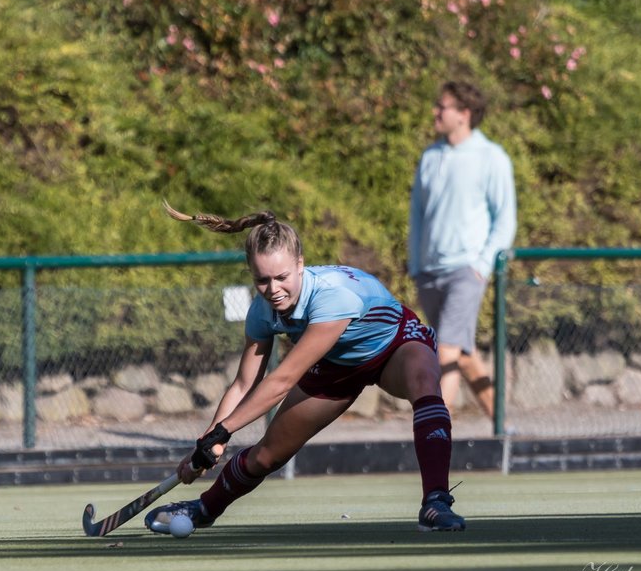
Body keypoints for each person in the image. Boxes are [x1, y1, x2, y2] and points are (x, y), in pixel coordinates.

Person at [144, 202, 465, 534]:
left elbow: (282, 380)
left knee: (425, 383)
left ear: (300, 265)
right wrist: (209, 442)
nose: (273, 290)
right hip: (336, 365)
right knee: (266, 456)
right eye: (262, 280)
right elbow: (243, 384)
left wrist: (224, 430)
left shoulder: (331, 298)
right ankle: (204, 508)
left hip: (393, 344)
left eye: (282, 277)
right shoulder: (261, 312)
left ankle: (435, 502)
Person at [408, 80, 517, 418]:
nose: (435, 112)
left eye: (443, 107)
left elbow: (505, 219)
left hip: (465, 271)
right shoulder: (430, 156)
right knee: (462, 355)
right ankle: (503, 427)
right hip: (429, 271)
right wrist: (416, 264)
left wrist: (481, 265)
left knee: (446, 352)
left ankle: (433, 436)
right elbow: (418, 216)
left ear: (464, 114)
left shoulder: (491, 157)